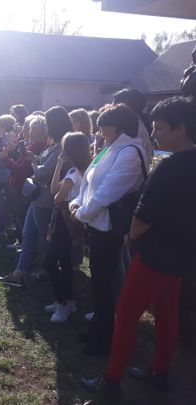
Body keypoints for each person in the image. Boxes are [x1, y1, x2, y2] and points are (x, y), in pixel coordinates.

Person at [81, 96, 196, 400]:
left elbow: (142, 218)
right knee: (167, 313)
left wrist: (131, 237)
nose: (153, 134)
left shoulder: (168, 168)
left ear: (181, 128)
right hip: (184, 256)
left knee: (126, 314)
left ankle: (111, 379)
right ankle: (160, 371)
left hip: (154, 256)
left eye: (159, 127)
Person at [69, 103, 147, 356]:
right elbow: (89, 180)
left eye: (104, 126)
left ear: (118, 127)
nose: (100, 131)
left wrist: (81, 213)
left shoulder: (130, 152)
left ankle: (104, 338)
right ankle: (98, 329)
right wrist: (76, 202)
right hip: (96, 225)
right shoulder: (110, 148)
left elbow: (107, 192)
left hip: (109, 229)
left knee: (105, 285)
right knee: (99, 283)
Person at [0, 106, 72, 288]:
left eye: (48, 122)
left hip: (45, 199)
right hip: (38, 197)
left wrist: (32, 162)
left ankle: (52, 272)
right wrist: (36, 159)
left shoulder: (60, 146)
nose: (45, 126)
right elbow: (44, 164)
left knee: (47, 239)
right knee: (29, 233)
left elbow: (43, 173)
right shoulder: (54, 145)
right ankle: (21, 273)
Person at [43, 132, 90, 323]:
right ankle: (68, 302)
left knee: (51, 262)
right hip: (74, 220)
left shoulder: (72, 174)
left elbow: (56, 196)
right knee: (65, 263)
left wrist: (59, 165)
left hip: (64, 221)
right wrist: (60, 165)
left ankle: (62, 304)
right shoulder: (86, 169)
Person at [113, 89, 154, 164]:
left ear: (124, 104)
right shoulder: (141, 122)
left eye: (114, 104)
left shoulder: (130, 128)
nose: (111, 108)